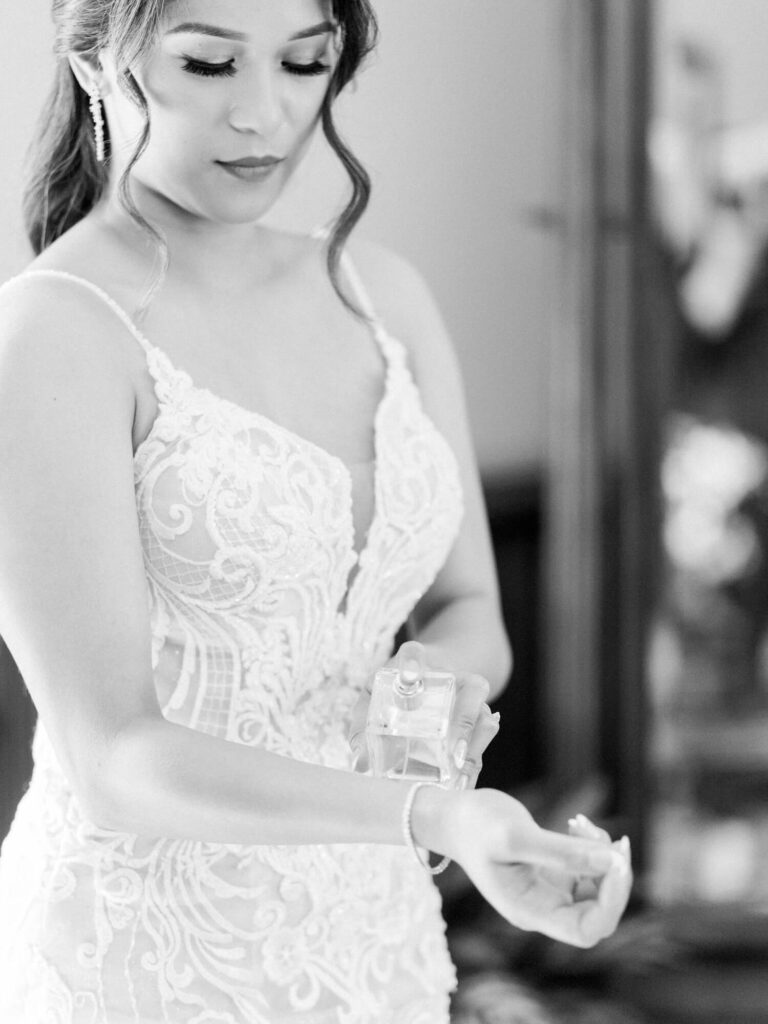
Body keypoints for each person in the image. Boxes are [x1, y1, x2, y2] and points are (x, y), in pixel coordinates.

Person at [0, 1, 632, 1021]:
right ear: (93, 63)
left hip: (372, 937)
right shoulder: (53, 332)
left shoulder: (382, 294)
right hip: (145, 956)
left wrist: (429, 688)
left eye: (304, 62)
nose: (265, 113)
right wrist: (434, 815)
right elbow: (112, 755)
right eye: (210, 65)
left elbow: (470, 604)